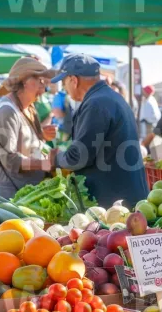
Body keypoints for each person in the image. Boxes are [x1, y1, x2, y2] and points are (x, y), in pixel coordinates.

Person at [52, 53, 149, 208]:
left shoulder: (96, 104)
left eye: (64, 83)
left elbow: (79, 156)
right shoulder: (109, 97)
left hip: (115, 203)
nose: (65, 89)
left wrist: (56, 159)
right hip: (124, 197)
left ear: (73, 80)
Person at [0, 57, 58, 199]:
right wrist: (44, 164)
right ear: (25, 81)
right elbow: (10, 159)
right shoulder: (7, 111)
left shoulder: (29, 108)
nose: (44, 89)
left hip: (27, 190)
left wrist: (43, 136)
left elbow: (24, 140)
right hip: (12, 195)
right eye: (40, 81)